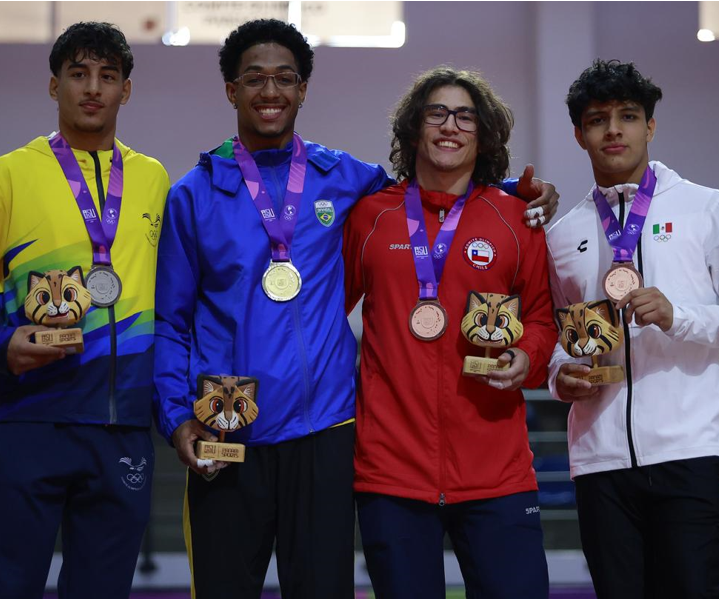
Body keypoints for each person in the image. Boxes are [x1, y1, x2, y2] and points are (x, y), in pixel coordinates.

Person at [154, 19, 558, 598]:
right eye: (255, 78)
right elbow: (170, 323)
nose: (271, 91)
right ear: (231, 89)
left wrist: (518, 193)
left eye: (285, 78)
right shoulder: (193, 194)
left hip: (326, 432)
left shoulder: (346, 180)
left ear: (303, 89)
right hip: (229, 426)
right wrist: (176, 417)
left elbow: (441, 192)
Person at [0, 22, 169, 598]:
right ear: (54, 85)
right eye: (78, 74)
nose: (93, 88)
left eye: (108, 76)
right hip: (32, 419)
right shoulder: (7, 175)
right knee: (9, 587)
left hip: (122, 425)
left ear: (126, 90)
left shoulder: (155, 179)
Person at [546, 59, 719, 598]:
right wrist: (561, 375)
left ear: (650, 126)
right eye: (597, 120)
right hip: (599, 460)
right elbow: (557, 335)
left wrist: (681, 317)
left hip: (692, 453)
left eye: (628, 116)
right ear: (579, 134)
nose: (614, 130)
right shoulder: (562, 235)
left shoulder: (707, 207)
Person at [342, 66, 555, 598]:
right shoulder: (370, 217)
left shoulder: (516, 219)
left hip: (497, 472)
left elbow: (541, 317)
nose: (450, 126)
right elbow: (324, 313)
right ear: (415, 128)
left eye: (465, 116)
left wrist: (528, 356)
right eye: (436, 113)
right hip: (391, 470)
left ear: (483, 135)